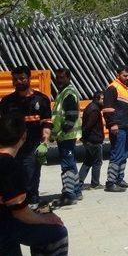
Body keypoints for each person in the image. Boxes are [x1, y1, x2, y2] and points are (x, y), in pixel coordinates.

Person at [0, 113, 71, 256]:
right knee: (57, 231)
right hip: (5, 229)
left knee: (41, 229)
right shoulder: (9, 166)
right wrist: (45, 218)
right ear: (23, 136)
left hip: (6, 222)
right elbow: (21, 214)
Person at [0, 66, 52, 209]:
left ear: (29, 78)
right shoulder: (6, 102)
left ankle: (32, 204)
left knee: (31, 176)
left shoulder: (41, 99)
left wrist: (45, 143)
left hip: (33, 145)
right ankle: (17, 206)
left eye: (22, 78)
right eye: (15, 79)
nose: (18, 81)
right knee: (12, 176)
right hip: (12, 146)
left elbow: (47, 123)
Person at [51, 69, 82, 207]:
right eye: (57, 77)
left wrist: (61, 132)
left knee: (67, 165)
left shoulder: (68, 93)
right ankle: (76, 191)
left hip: (67, 135)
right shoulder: (64, 92)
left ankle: (69, 195)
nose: (59, 80)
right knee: (71, 163)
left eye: (62, 77)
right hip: (67, 135)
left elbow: (71, 116)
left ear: (68, 77)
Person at [103, 66, 128, 193]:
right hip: (118, 127)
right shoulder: (113, 88)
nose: (127, 78)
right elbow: (107, 109)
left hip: (126, 126)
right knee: (117, 154)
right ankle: (110, 182)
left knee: (124, 154)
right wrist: (112, 124)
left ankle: (119, 179)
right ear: (118, 75)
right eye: (124, 75)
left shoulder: (127, 90)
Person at [78, 92, 104, 190]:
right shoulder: (94, 110)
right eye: (103, 99)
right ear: (97, 99)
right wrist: (84, 137)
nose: (104, 101)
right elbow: (88, 126)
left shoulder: (91, 107)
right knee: (97, 162)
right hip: (94, 140)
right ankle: (95, 183)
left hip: (90, 139)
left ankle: (79, 182)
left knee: (88, 162)